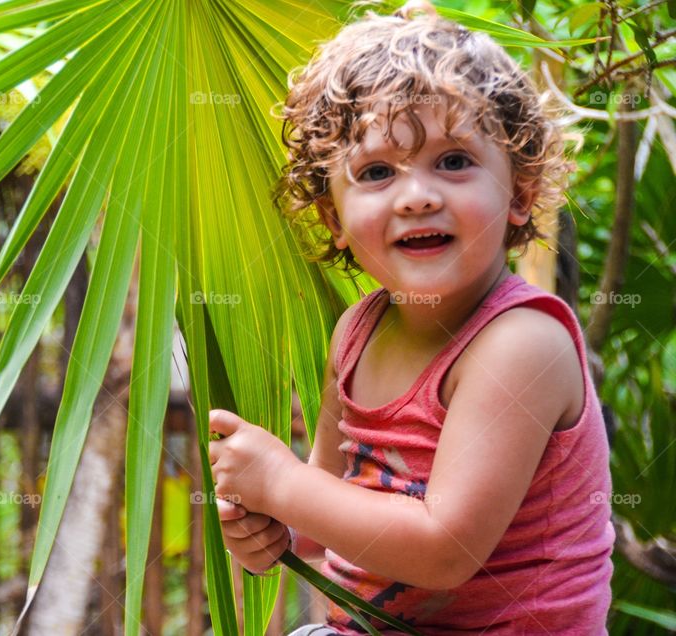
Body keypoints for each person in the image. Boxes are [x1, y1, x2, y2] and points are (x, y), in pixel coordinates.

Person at [206, 1, 615, 634]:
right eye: (375, 172)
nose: (418, 195)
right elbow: (330, 516)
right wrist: (274, 526)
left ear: (521, 192)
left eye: (453, 161)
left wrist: (282, 485)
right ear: (332, 220)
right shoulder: (358, 333)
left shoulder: (522, 343)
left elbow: (443, 550)